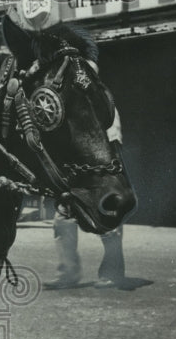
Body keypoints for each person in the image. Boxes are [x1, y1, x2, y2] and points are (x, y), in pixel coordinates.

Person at [48, 108, 128, 289]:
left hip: (101, 174)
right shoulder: (68, 105)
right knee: (63, 220)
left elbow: (114, 144)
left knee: (109, 224)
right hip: (75, 172)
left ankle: (112, 273)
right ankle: (68, 273)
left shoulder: (105, 106)